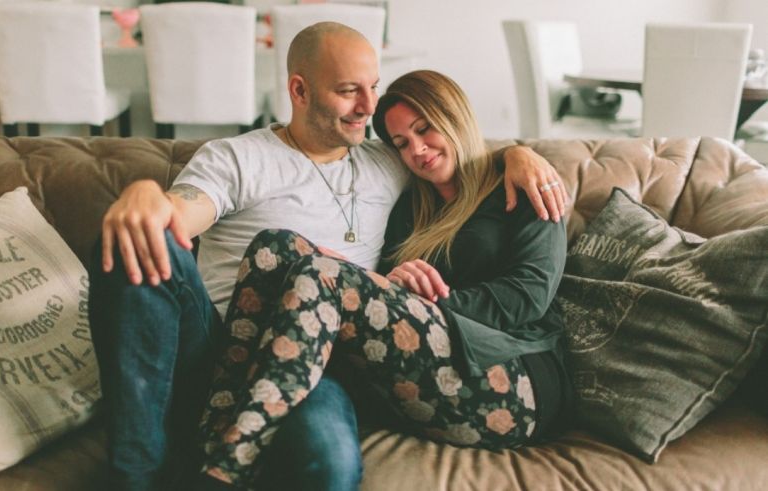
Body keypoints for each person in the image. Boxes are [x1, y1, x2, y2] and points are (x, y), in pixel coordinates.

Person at [89, 21, 568, 491]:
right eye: (348, 91)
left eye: (373, 87)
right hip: (217, 338)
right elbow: (181, 212)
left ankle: (217, 463)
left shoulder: (387, 163)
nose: (368, 107)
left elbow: (461, 156)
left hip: (331, 352)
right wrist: (147, 196)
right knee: (171, 240)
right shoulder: (239, 158)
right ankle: (138, 476)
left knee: (328, 463)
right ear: (300, 90)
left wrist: (519, 155)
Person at [192, 69, 573, 488]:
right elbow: (383, 295)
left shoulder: (521, 185)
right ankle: (214, 437)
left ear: (455, 115)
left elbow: (528, 296)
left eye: (425, 129)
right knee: (274, 247)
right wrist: (395, 285)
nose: (419, 150)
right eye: (402, 143)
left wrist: (424, 307)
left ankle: (227, 469)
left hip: (510, 378)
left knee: (324, 275)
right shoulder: (410, 207)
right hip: (428, 366)